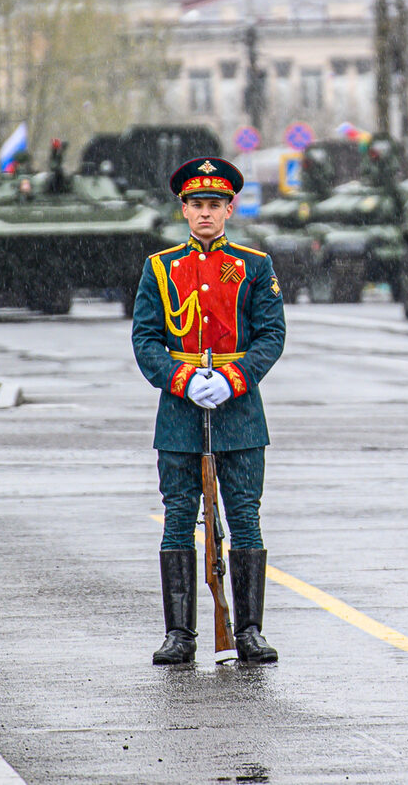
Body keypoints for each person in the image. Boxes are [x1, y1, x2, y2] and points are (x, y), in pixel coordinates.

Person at [132, 156, 286, 666]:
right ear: (183, 209)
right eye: (197, 205)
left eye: (214, 205)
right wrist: (182, 379)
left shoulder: (253, 265)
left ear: (229, 208)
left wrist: (231, 379)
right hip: (180, 412)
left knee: (244, 518)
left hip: (238, 412)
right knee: (178, 517)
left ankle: (249, 631)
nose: (205, 213)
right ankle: (180, 634)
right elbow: (146, 339)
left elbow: (271, 336)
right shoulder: (160, 267)